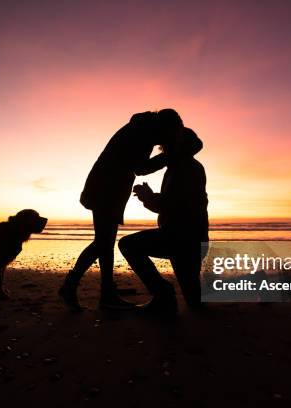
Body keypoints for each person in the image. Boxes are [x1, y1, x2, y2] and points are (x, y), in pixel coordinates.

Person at [59, 109, 202, 311]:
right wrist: (172, 156)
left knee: (104, 243)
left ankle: (104, 292)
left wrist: (177, 152)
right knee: (103, 242)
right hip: (105, 188)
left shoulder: (145, 129)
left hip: (110, 188)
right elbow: (140, 168)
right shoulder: (142, 130)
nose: (166, 142)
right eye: (170, 136)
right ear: (165, 128)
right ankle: (80, 288)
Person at [118, 127, 209, 313]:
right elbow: (175, 201)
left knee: (127, 245)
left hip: (181, 240)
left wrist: (147, 196)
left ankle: (163, 293)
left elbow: (172, 205)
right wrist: (150, 197)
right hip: (190, 240)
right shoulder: (186, 166)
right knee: (195, 302)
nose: (163, 151)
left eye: (165, 146)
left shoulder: (185, 169)